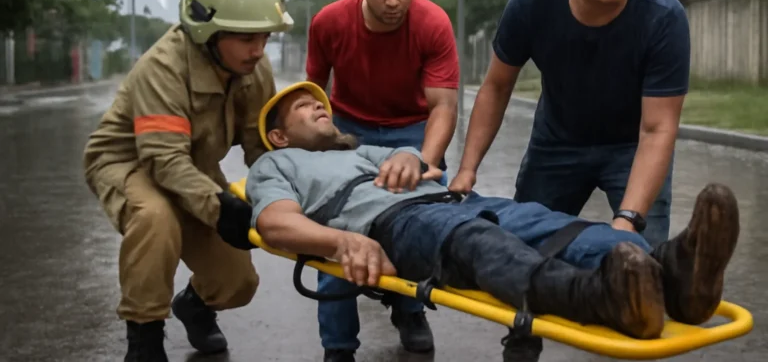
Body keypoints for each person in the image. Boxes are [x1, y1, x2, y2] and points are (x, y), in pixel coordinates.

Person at [244, 81, 739, 362]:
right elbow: (274, 223)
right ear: (279, 136)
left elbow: (420, 161)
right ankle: (604, 298)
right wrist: (342, 240)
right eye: (304, 108)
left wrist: (412, 159)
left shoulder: (362, 148)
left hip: (455, 198)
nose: (318, 107)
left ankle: (676, 275)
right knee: (478, 244)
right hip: (398, 223)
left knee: (550, 224)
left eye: (320, 103)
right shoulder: (275, 166)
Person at [450, 0, 690, 248]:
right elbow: (497, 88)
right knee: (522, 251)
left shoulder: (663, 17)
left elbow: (658, 129)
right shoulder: (531, 4)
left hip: (632, 146)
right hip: (557, 143)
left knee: (642, 261)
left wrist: (628, 219)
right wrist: (467, 169)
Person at [82, 0, 294, 362]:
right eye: (247, 38)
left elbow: (258, 144)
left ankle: (194, 306)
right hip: (130, 161)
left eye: (265, 37)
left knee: (237, 282)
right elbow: (161, 159)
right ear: (209, 35)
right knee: (156, 219)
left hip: (189, 164)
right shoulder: (162, 67)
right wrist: (219, 205)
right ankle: (144, 337)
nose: (259, 49)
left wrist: (289, 193)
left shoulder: (253, 69)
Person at [305, 0, 460, 360]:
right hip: (348, 128)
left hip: (411, 128)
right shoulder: (328, 23)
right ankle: (337, 347)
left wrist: (425, 160)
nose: (393, 2)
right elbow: (313, 92)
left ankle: (410, 310)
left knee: (419, 219)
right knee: (337, 230)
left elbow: (444, 106)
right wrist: (311, 150)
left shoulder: (432, 23)